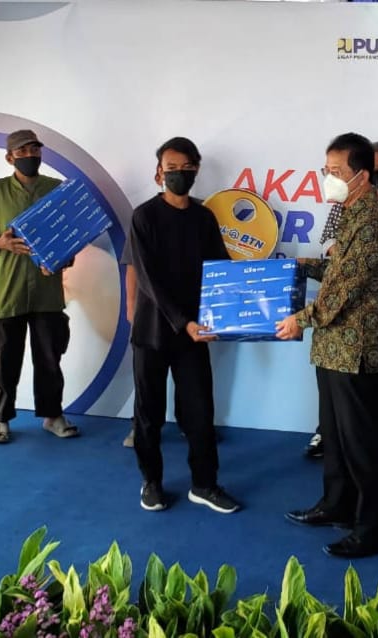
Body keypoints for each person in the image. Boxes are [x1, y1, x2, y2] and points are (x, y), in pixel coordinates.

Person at [278, 133, 378, 558]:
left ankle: (374, 529)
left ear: (361, 176)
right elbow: (338, 270)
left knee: (363, 446)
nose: (327, 178)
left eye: (335, 172)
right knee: (333, 436)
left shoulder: (372, 223)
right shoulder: (350, 213)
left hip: (357, 352)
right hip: (334, 349)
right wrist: (303, 265)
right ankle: (337, 505)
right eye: (325, 170)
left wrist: (298, 320)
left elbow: (342, 292)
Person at [128, 136, 239, 514]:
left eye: (185, 167)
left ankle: (204, 485)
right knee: (149, 415)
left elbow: (220, 270)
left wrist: (237, 305)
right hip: (153, 332)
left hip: (195, 334)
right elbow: (148, 280)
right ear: (158, 172)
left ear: (196, 169)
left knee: (199, 413)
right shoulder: (144, 216)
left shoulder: (203, 217)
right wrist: (183, 321)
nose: (178, 174)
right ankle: (151, 482)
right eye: (170, 168)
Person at [304, 140, 378, 462]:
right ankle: (328, 434)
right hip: (340, 322)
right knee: (336, 394)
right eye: (327, 171)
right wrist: (338, 259)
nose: (330, 178)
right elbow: (329, 244)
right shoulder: (345, 204)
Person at [0, 129, 78, 444]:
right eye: (23, 151)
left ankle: (53, 416)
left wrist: (64, 257)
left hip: (47, 292)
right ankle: (0, 420)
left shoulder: (56, 190)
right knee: (5, 361)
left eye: (34, 150)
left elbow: (69, 234)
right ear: (9, 158)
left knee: (50, 360)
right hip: (7, 291)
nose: (30, 155)